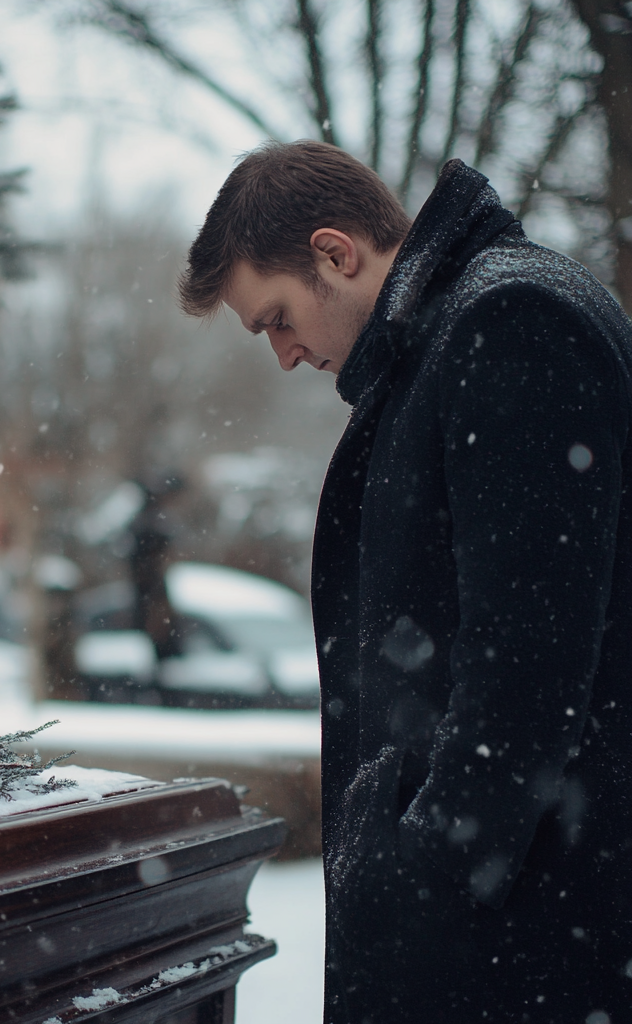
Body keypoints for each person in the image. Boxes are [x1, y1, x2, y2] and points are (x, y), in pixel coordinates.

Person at [179, 139, 632, 1024]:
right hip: (511, 927)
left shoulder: (508, 321)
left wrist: (425, 876)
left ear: (333, 253)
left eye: (273, 317)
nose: (282, 353)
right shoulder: (456, 335)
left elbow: (526, 664)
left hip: (517, 943)